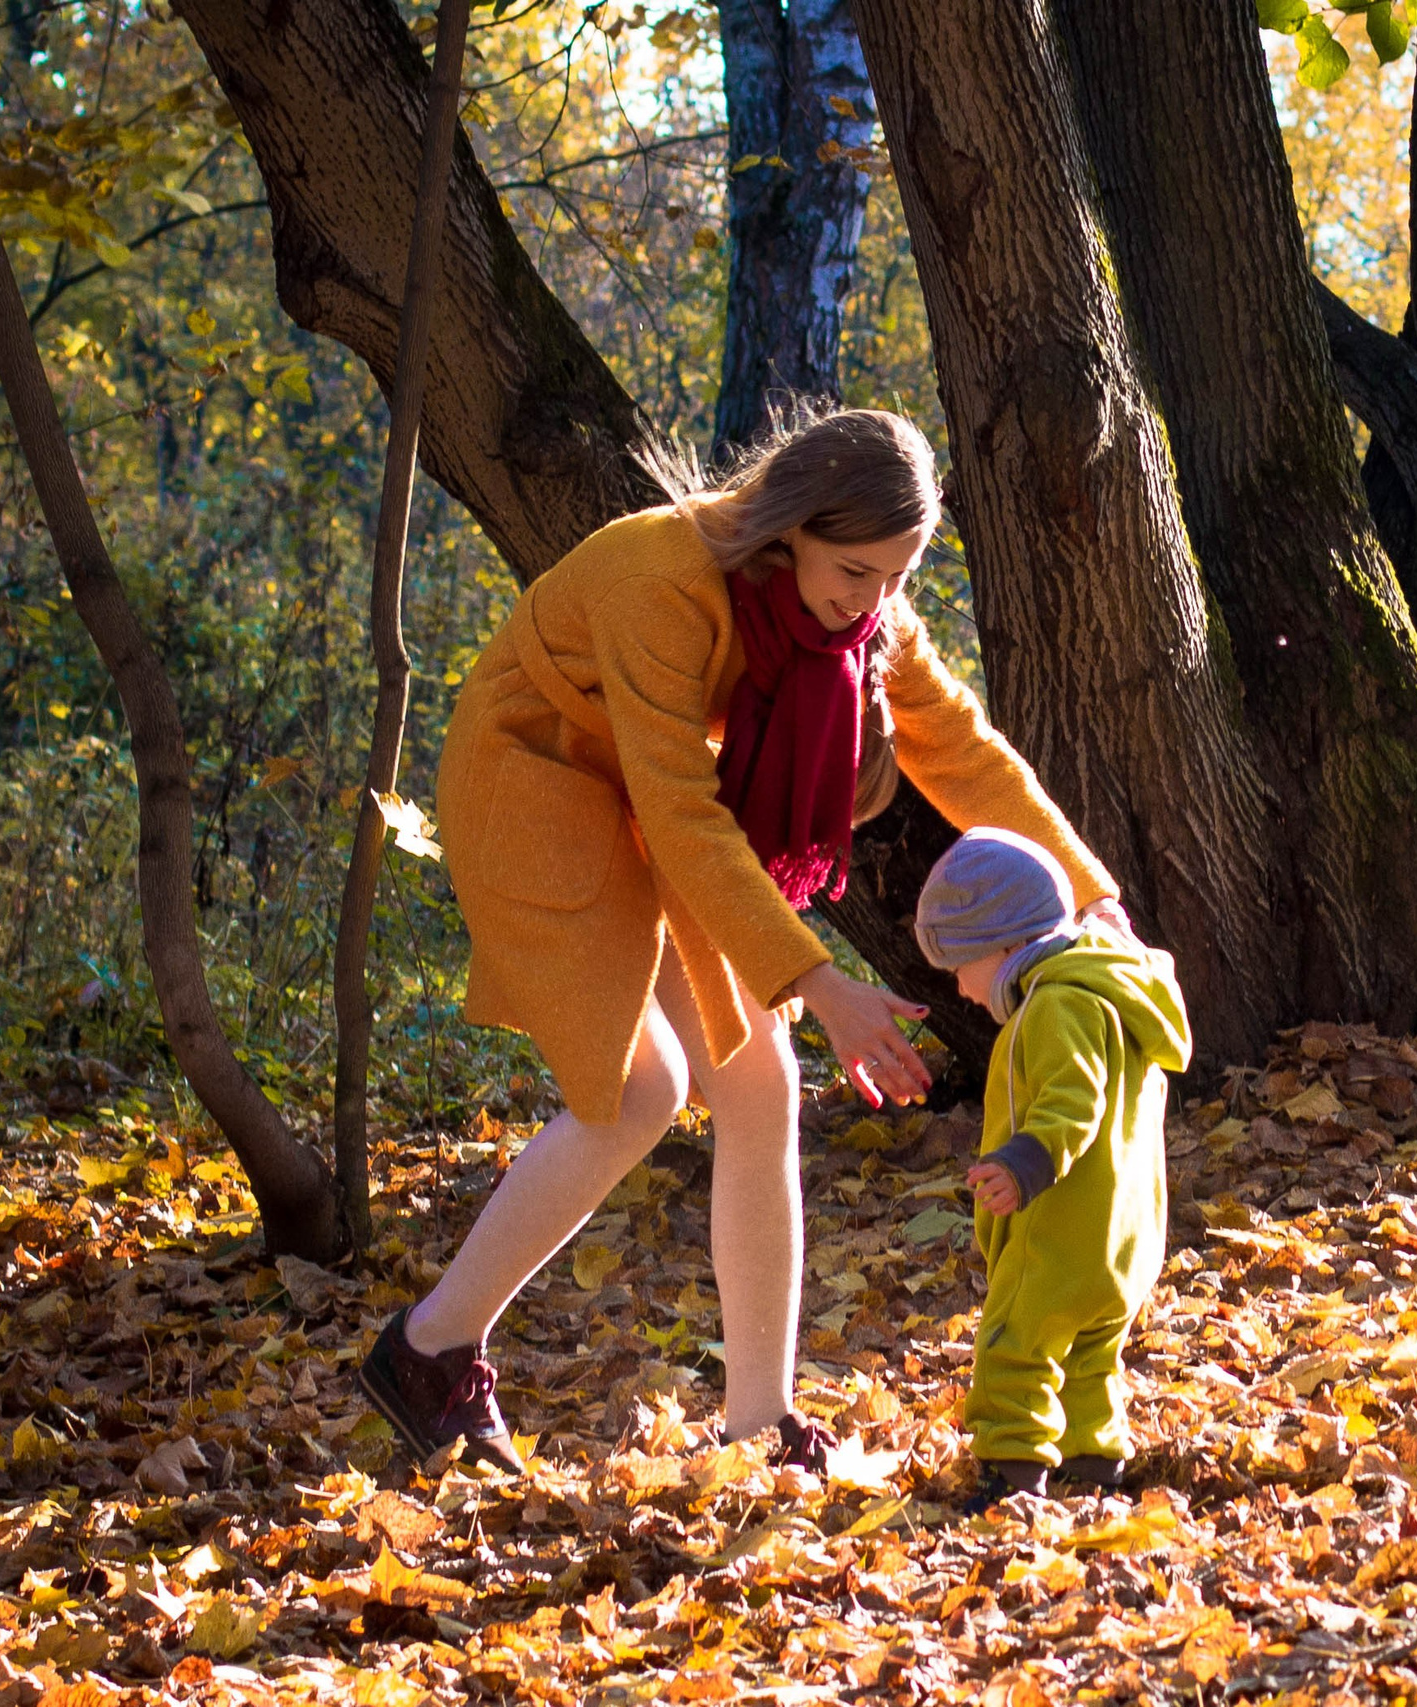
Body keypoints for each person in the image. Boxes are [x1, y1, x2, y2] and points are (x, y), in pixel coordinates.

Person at [356, 406, 1129, 1472]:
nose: (875, 603)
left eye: (896, 578)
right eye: (855, 571)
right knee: (640, 1090)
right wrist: (821, 982)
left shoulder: (860, 617)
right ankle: (428, 1347)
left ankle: (759, 1423)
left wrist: (1092, 900)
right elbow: (682, 814)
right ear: (789, 529)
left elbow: (965, 752)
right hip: (534, 782)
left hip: (646, 803)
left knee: (757, 1082)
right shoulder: (658, 579)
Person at [913, 828, 1189, 1506]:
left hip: (1060, 1231)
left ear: (1005, 945)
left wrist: (1026, 1162)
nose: (961, 987)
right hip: (1122, 1238)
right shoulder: (1113, 995)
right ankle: (1091, 1461)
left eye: (960, 964)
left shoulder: (1058, 1003)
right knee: (1089, 1358)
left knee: (1015, 1345)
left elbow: (1074, 1095)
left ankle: (1010, 1474)